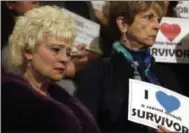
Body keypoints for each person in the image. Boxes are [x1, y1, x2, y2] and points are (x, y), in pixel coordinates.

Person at [75, 1, 182, 132]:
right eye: (148, 17)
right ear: (123, 24)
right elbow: (83, 126)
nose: (157, 25)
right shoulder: (98, 71)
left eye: (158, 19)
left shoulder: (166, 75)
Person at [2, 6, 100, 133]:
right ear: (28, 51)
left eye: (68, 52)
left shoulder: (62, 97)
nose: (65, 59)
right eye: (55, 49)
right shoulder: (10, 99)